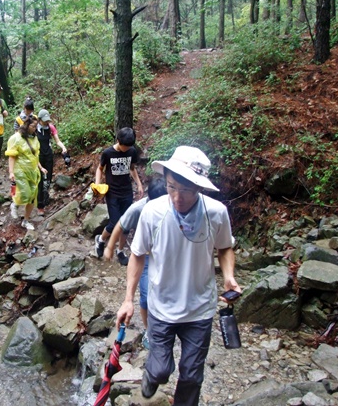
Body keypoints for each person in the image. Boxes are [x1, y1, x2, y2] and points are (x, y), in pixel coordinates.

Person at [115, 146, 241, 406]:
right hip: (161, 306)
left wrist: (229, 276)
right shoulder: (153, 212)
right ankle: (153, 373)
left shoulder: (216, 213)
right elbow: (137, 254)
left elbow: (225, 246)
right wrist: (128, 298)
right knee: (161, 369)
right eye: (172, 187)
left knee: (192, 376)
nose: (177, 197)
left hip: (200, 309)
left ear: (199, 188)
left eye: (185, 191)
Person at [103, 177, 166, 348]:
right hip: (144, 256)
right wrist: (110, 247)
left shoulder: (174, 205)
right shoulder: (138, 208)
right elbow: (119, 225)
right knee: (145, 297)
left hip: (165, 255)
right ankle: (149, 330)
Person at [94, 127, 143, 258]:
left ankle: (120, 251)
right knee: (114, 222)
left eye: (129, 147)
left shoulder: (132, 151)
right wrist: (97, 184)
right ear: (118, 141)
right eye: (124, 146)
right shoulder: (108, 153)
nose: (126, 149)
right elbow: (100, 169)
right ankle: (101, 240)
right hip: (112, 193)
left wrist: (139, 184)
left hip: (126, 191)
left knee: (126, 223)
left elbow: (132, 168)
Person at [5, 116, 47, 231]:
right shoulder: (16, 138)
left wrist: (41, 167)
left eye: (35, 126)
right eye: (32, 126)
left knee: (32, 198)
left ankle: (26, 220)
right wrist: (11, 172)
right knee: (25, 194)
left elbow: (35, 155)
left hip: (33, 171)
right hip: (20, 170)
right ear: (26, 125)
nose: (34, 129)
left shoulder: (34, 139)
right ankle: (14, 204)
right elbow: (12, 156)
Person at [35, 109, 68, 217]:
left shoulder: (51, 127)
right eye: (44, 121)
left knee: (48, 179)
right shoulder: (34, 129)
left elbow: (57, 140)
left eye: (47, 120)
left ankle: (45, 195)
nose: (46, 122)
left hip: (48, 155)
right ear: (39, 120)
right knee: (40, 181)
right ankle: (40, 206)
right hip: (38, 156)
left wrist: (63, 147)